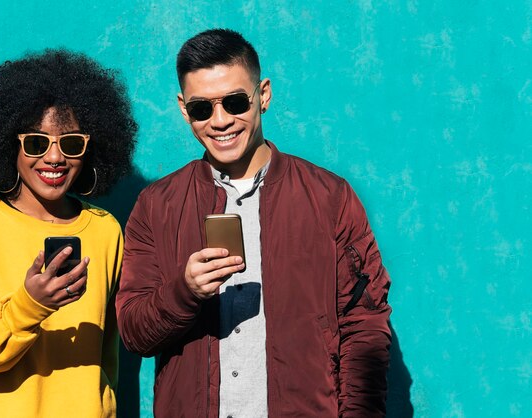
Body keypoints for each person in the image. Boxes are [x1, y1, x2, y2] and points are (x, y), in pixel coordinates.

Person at [116, 28, 392, 417]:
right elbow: (133, 333)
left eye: (234, 102)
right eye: (201, 108)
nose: (220, 121)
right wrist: (185, 290)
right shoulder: (157, 205)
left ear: (263, 95)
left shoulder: (330, 197)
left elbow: (363, 324)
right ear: (183, 108)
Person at [0, 49, 137, 417]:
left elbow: (107, 354)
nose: (55, 158)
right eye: (37, 143)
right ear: (10, 143)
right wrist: (30, 303)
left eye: (71, 143)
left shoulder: (106, 229)